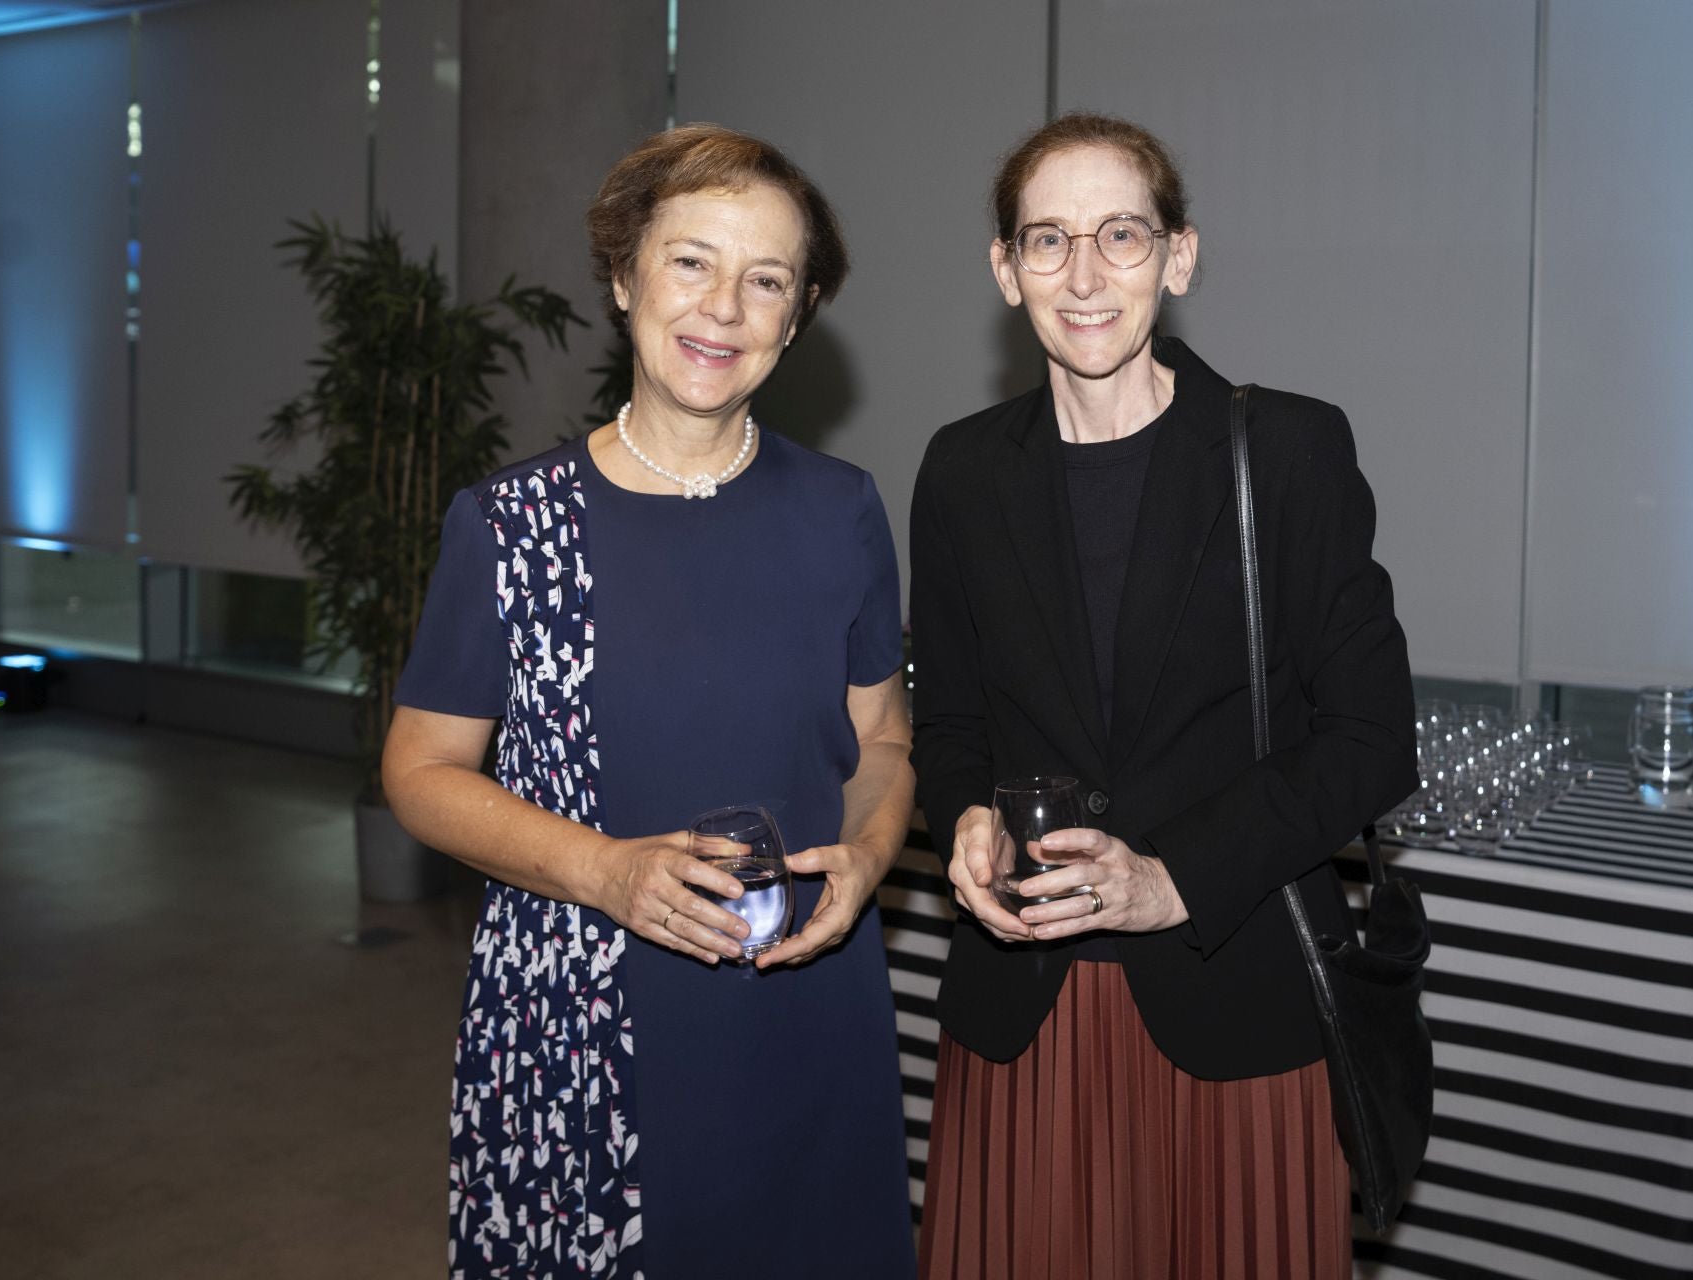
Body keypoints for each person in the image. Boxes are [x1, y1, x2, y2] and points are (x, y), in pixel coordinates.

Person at [383, 124, 916, 1279]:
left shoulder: (843, 511)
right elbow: (419, 770)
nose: (723, 305)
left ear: (797, 311)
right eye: (691, 260)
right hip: (584, 1020)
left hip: (807, 1003)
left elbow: (881, 737)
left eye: (765, 278)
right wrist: (607, 870)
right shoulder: (513, 526)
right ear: (624, 274)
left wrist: (870, 855)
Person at [909, 112, 1418, 1278]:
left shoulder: (1286, 452)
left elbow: (1370, 740)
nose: (1084, 275)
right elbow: (949, 722)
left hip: (1229, 994)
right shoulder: (961, 469)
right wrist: (968, 814)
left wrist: (1169, 877)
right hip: (1023, 1015)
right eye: (1047, 241)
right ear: (1005, 270)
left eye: (1121, 235)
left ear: (1178, 257)